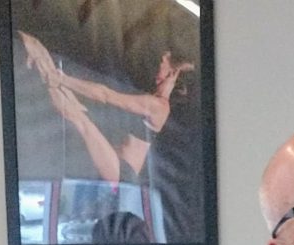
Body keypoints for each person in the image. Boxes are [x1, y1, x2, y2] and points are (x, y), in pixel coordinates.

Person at [18, 31, 194, 183]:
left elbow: (105, 95)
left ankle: (42, 62)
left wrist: (63, 79)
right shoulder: (154, 99)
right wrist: (60, 80)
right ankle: (39, 56)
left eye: (161, 62)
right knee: (75, 109)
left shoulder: (158, 106)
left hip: (122, 171)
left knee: (80, 119)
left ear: (173, 73)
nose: (157, 66)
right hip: (117, 163)